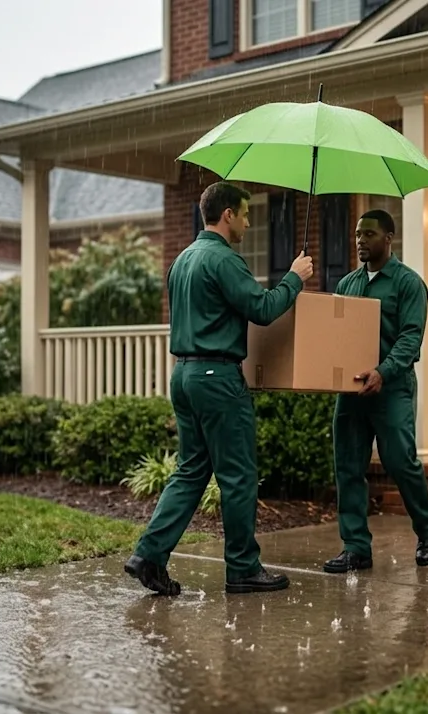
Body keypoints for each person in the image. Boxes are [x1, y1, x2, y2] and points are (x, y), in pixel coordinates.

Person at [124, 180, 314, 596]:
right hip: (218, 378)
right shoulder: (225, 260)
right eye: (245, 213)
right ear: (227, 214)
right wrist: (294, 279)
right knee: (239, 475)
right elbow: (262, 309)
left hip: (184, 376)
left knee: (191, 471)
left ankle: (149, 555)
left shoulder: (183, 260)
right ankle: (243, 568)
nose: (248, 221)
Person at [323, 208, 428, 574]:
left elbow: (410, 338)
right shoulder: (347, 285)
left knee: (400, 461)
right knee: (348, 466)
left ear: (389, 238)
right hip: (352, 391)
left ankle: (427, 529)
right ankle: (356, 547)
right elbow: (338, 337)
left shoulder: (409, 284)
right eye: (358, 234)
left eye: (369, 234)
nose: (361, 240)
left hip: (391, 389)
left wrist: (383, 371)